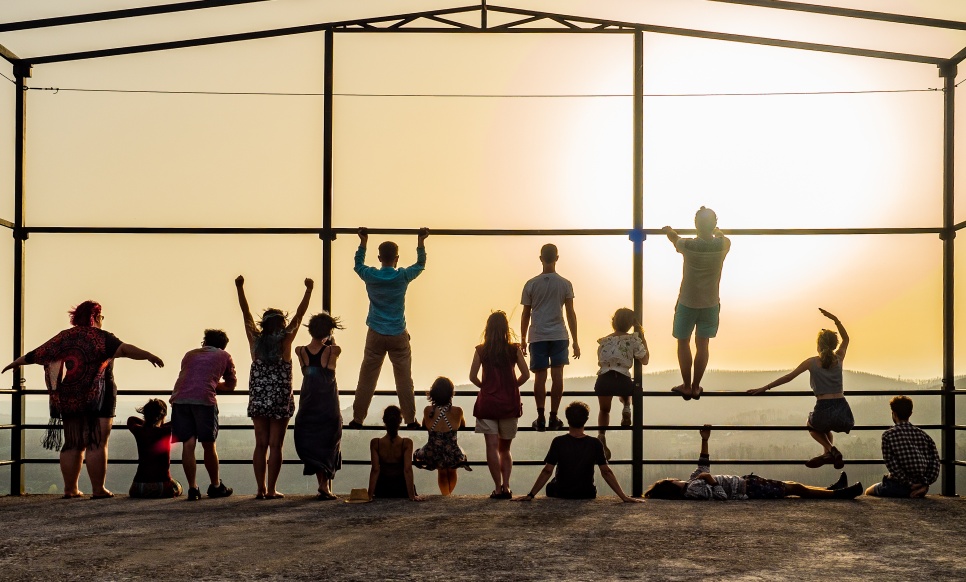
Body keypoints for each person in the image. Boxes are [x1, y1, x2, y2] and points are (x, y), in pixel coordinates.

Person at [2, 300, 164, 499]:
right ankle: (98, 490)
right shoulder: (100, 337)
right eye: (101, 317)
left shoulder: (64, 337)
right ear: (95, 317)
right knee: (97, 443)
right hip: (99, 397)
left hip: (70, 397)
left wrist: (14, 364)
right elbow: (124, 350)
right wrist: (148, 355)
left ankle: (70, 490)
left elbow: (38, 354)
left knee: (72, 443)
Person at [235, 275, 313, 499]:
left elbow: (246, 314)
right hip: (280, 398)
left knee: (260, 444)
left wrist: (240, 288)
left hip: (259, 397)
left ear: (264, 324)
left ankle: (259, 489)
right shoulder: (286, 341)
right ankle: (271, 489)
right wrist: (308, 290)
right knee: (276, 445)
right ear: (281, 323)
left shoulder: (255, 342)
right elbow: (299, 316)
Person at [748, 308, 854, 469]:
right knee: (825, 428)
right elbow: (846, 338)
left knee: (811, 425)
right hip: (842, 409)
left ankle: (831, 450)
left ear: (818, 345)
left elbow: (788, 377)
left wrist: (765, 387)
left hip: (823, 408)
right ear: (834, 345)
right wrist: (836, 319)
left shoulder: (811, 362)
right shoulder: (839, 357)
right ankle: (827, 454)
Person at [644, 425, 863, 500]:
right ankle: (837, 494)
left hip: (748, 481)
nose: (672, 477)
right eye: (668, 479)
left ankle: (829, 490)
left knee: (792, 484)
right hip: (751, 488)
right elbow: (721, 497)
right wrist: (711, 481)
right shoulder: (693, 492)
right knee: (795, 488)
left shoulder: (692, 483)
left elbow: (703, 465)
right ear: (671, 485)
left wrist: (704, 440)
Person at [349, 227, 429, 429]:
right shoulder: (402, 276)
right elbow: (420, 265)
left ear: (379, 257)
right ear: (397, 258)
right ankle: (410, 419)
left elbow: (358, 265)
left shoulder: (370, 275)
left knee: (367, 378)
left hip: (375, 333)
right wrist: (421, 242)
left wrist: (363, 242)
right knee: (404, 380)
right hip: (398, 333)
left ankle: (358, 418)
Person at [662, 207, 730, 400]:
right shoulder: (723, 244)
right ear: (714, 224)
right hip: (710, 303)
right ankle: (696, 385)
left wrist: (668, 230)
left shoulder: (689, 246)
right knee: (703, 345)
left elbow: (674, 238)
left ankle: (686, 385)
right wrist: (717, 231)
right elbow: (721, 236)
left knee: (683, 343)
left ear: (695, 225)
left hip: (687, 301)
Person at [516, 401, 641, 503]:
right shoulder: (595, 443)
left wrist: (531, 495)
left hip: (562, 492)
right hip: (587, 493)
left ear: (567, 419)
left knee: (552, 484)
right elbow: (606, 471)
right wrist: (624, 497)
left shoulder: (559, 442)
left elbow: (547, 470)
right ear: (586, 420)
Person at [169, 329, 236, 501]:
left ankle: (193, 488)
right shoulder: (224, 356)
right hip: (204, 400)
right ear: (223, 345)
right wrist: (213, 383)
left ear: (205, 341)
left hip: (180, 399)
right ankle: (215, 486)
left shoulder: (189, 354)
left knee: (188, 444)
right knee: (208, 444)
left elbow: (189, 375)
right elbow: (231, 384)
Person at [469, 311, 530, 499]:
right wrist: (511, 387)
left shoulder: (481, 350)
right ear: (506, 329)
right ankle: (507, 486)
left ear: (488, 329)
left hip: (488, 403)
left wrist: (486, 388)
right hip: (509, 404)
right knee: (505, 449)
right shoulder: (514, 350)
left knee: (491, 447)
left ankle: (497, 488)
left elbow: (472, 377)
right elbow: (526, 374)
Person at [520, 243, 580, 431]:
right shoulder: (565, 283)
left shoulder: (531, 284)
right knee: (557, 376)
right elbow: (571, 313)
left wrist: (522, 338)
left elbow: (525, 314)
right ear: (557, 258)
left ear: (540, 258)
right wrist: (576, 341)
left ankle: (540, 417)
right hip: (559, 334)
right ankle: (554, 416)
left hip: (537, 335)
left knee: (540, 377)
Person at [294, 312, 345, 501]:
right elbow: (333, 345)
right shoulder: (333, 351)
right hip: (328, 404)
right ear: (329, 331)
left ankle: (322, 485)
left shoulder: (300, 350)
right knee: (330, 442)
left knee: (314, 443)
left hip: (308, 403)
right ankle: (325, 486)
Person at [595, 308, 649, 460]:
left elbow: (600, 357)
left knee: (604, 410)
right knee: (626, 393)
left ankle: (601, 434)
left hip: (604, 378)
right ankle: (626, 406)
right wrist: (643, 339)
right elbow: (644, 360)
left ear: (614, 322)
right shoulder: (633, 340)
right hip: (623, 378)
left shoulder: (605, 340)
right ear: (631, 324)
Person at [865, 396, 939, 498]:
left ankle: (909, 491)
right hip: (920, 484)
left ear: (894, 413)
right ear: (910, 413)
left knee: (869, 491)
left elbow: (892, 465)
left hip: (897, 485)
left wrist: (909, 483)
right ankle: (920, 490)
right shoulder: (924, 435)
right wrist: (925, 482)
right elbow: (935, 462)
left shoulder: (888, 435)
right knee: (914, 488)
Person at [413, 377, 471, 495]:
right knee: (452, 470)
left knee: (442, 472)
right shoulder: (457, 411)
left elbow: (425, 425)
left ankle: (445, 495)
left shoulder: (428, 410)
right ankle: (448, 495)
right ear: (451, 393)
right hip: (452, 450)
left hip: (433, 450)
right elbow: (462, 425)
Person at [127, 399, 183, 498]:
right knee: (178, 486)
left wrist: (148, 424)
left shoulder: (139, 430)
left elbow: (131, 419)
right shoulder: (167, 430)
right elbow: (178, 421)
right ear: (163, 416)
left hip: (138, 488)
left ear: (145, 414)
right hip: (163, 488)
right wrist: (160, 425)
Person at [367, 405, 421, 501]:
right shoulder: (406, 443)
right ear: (400, 421)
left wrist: (369, 496)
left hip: (382, 489)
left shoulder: (376, 443)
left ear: (384, 421)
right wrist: (412, 496)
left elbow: (375, 470)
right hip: (401, 488)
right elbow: (407, 469)